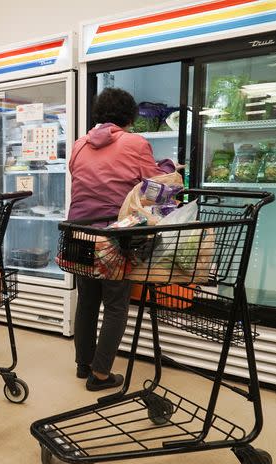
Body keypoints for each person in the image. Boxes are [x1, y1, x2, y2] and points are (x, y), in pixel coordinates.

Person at [68, 88, 171, 392]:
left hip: (78, 234)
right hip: (114, 236)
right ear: (129, 117)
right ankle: (100, 375)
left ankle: (83, 363)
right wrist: (168, 167)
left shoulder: (78, 145)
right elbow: (156, 189)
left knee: (87, 299)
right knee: (115, 304)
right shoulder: (136, 143)